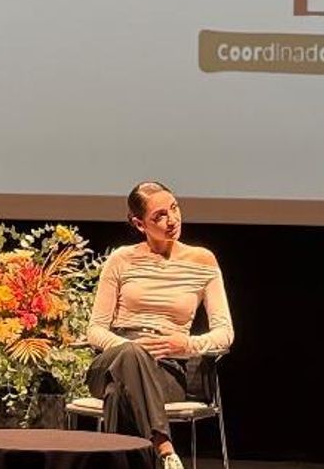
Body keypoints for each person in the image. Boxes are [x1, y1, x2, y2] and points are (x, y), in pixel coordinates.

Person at [86, 181, 235, 469]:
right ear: (139, 224)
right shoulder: (121, 259)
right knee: (131, 357)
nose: (172, 220)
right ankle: (165, 449)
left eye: (174, 209)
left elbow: (225, 333)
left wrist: (188, 344)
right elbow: (95, 329)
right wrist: (130, 347)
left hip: (167, 370)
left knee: (118, 395)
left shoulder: (203, 261)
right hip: (112, 361)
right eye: (159, 216)